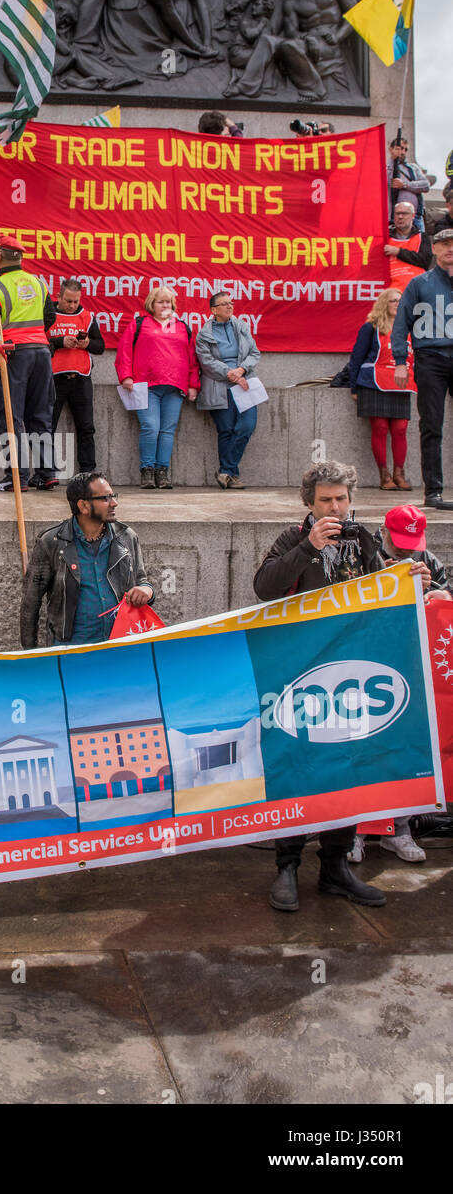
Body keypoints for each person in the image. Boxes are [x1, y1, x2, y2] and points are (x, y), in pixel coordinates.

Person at [254, 461, 387, 913]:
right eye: (326, 500)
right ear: (309, 504)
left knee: (344, 768)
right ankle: (287, 866)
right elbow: (265, 588)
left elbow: (383, 593)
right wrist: (309, 548)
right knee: (298, 766)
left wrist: (414, 584)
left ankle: (335, 867)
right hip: (300, 676)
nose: (336, 507)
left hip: (352, 676)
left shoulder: (366, 539)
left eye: (342, 499)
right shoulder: (292, 539)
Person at [349, 502, 451, 865]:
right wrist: (380, 579)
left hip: (410, 664)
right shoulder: (360, 551)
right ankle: (357, 830)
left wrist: (438, 593)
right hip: (365, 663)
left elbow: (445, 598)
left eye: (414, 540)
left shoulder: (428, 559)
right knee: (365, 745)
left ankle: (401, 827)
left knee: (409, 748)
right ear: (384, 530)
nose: (409, 547)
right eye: (401, 539)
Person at [20, 471, 154, 647]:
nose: (114, 503)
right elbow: (30, 603)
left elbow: (142, 581)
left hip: (120, 648)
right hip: (70, 652)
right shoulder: (52, 542)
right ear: (83, 506)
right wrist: (31, 657)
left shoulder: (126, 537)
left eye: (113, 496)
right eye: (106, 498)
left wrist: (146, 591)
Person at [0, 234, 57, 491]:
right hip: (41, 353)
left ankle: (16, 476)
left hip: (12, 354)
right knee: (40, 414)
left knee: (10, 416)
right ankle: (46, 473)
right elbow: (50, 317)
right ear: (20, 257)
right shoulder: (38, 283)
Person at [391, 227, 453, 509]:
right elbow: (401, 322)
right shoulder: (420, 283)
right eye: (444, 245)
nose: (450, 249)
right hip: (431, 357)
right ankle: (433, 491)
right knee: (431, 426)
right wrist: (401, 361)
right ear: (435, 249)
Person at [115, 287, 199, 489]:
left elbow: (192, 359)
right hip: (146, 385)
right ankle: (147, 471)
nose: (165, 305)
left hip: (175, 386)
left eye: (168, 302)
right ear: (151, 305)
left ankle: (162, 471)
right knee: (150, 428)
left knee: (167, 431)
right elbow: (124, 350)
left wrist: (193, 385)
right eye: (161, 302)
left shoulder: (182, 327)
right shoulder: (139, 324)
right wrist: (126, 376)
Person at [348, 287, 415, 490]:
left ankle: (399, 474)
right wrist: (354, 387)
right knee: (380, 428)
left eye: (400, 301)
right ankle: (384, 476)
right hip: (373, 383)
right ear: (384, 303)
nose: (397, 304)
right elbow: (357, 357)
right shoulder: (371, 327)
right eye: (393, 300)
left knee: (400, 429)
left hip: (400, 383)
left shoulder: (410, 328)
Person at [196, 291, 261, 489]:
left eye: (231, 303)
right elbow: (206, 362)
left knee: (247, 425)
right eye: (224, 304)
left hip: (244, 383)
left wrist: (241, 370)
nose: (230, 306)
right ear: (214, 310)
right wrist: (230, 373)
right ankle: (232, 476)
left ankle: (225, 470)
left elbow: (254, 353)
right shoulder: (204, 334)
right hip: (219, 385)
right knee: (226, 430)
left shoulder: (241, 326)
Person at [48, 278, 105, 476]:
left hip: (81, 378)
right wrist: (59, 341)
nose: (72, 306)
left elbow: (100, 346)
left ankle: (88, 471)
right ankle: (46, 473)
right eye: (68, 301)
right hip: (54, 379)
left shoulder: (87, 317)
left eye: (76, 301)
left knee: (87, 427)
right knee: (47, 427)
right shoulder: (48, 315)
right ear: (59, 297)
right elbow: (40, 341)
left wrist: (87, 343)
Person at [384, 200, 432, 291]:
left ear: (413, 216)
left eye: (404, 213)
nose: (400, 217)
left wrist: (398, 252)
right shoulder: (385, 238)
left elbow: (425, 261)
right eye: (397, 214)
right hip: (390, 291)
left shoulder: (422, 237)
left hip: (417, 289)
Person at [387, 136, 429, 231]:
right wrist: (392, 160)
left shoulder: (413, 168)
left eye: (405, 149)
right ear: (391, 149)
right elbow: (384, 180)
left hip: (416, 218)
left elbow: (426, 185)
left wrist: (405, 185)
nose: (403, 152)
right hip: (394, 219)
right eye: (399, 148)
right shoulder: (385, 167)